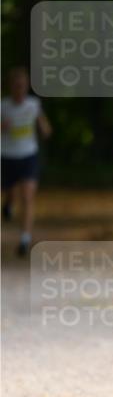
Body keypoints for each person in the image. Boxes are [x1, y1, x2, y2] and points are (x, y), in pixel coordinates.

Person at [1, 66, 52, 257]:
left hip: (28, 155)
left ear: (27, 87)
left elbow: (45, 126)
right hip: (6, 156)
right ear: (10, 87)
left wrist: (45, 129)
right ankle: (8, 204)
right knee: (11, 193)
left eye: (22, 86)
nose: (20, 89)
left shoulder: (33, 104)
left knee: (28, 196)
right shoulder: (2, 106)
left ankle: (24, 239)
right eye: (16, 86)